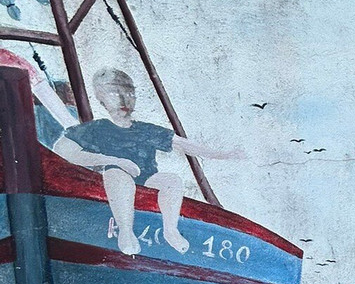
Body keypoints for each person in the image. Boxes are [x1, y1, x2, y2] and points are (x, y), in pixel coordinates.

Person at [53, 68, 240, 256]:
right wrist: (115, 161)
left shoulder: (145, 130)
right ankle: (126, 232)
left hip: (146, 179)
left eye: (129, 92)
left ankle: (170, 231)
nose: (123, 99)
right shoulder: (99, 128)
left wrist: (223, 154)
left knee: (172, 180)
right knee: (116, 173)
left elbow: (184, 145)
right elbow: (63, 150)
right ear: (101, 99)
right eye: (113, 93)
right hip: (116, 181)